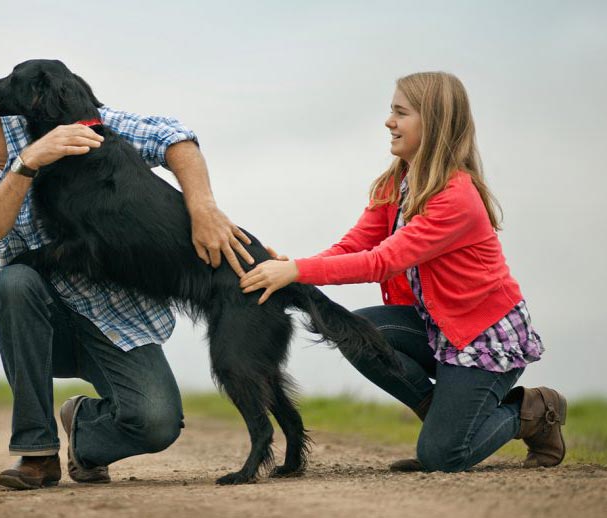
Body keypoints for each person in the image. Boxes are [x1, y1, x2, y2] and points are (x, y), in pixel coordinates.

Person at [0, 65, 254, 489]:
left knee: (156, 424)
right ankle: (36, 454)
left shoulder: (49, 111)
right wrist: (26, 163)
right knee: (13, 282)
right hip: (41, 329)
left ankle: (82, 427)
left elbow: (171, 135)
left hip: (114, 322)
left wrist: (203, 208)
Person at [239, 71, 566, 473]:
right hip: (438, 328)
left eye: (400, 112)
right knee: (351, 331)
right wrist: (295, 268)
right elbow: (354, 245)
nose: (389, 122)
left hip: (483, 339)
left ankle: (533, 411)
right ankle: (447, 415)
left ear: (433, 122)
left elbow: (383, 261)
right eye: (391, 111)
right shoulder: (397, 182)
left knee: (443, 457)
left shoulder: (455, 197)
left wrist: (296, 271)